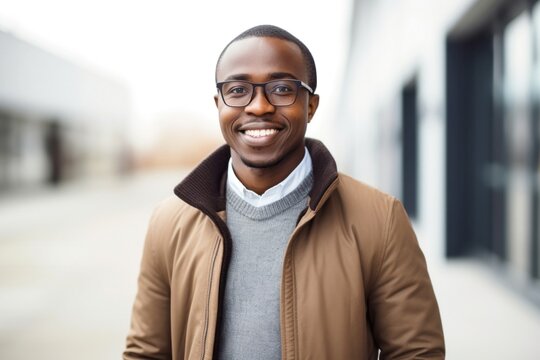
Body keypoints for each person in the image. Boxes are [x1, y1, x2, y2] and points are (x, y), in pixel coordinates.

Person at [124, 25, 445, 360]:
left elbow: (417, 352)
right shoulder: (169, 221)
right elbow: (146, 352)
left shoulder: (379, 219)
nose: (259, 106)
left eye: (281, 88)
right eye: (238, 90)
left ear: (310, 106)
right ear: (219, 103)